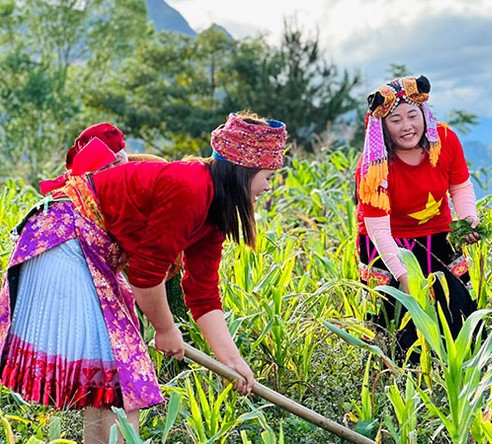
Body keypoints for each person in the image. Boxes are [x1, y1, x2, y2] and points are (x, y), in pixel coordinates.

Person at [0, 111, 286, 443]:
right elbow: (145, 275)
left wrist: (233, 360)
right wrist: (166, 330)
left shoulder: (213, 212)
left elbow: (203, 292)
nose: (268, 186)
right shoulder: (191, 187)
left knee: (112, 384)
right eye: (267, 176)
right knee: (123, 377)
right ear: (243, 172)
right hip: (65, 240)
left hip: (84, 249)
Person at [355, 75, 482, 360]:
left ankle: (462, 369)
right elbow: (379, 230)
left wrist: (467, 220)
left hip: (437, 235)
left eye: (413, 116)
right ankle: (399, 377)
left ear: (424, 114)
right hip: (387, 244)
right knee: (396, 326)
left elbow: (460, 185)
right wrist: (405, 277)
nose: (407, 126)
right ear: (382, 127)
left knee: (457, 313)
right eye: (395, 120)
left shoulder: (445, 141)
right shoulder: (373, 166)